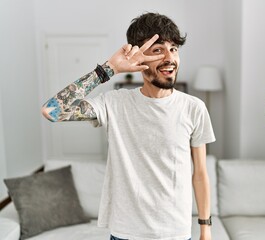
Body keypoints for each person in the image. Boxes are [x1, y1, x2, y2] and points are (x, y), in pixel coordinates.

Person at [41, 12, 215, 240]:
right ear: (138, 58)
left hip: (177, 233)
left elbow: (200, 174)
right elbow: (51, 110)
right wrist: (108, 69)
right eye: (157, 50)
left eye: (173, 49)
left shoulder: (194, 108)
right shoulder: (114, 103)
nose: (169, 58)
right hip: (126, 233)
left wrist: (206, 228)